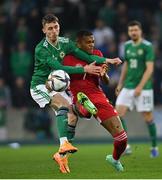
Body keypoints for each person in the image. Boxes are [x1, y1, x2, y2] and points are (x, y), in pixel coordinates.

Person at [30, 13, 122, 173]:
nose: (53, 31)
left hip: (55, 85)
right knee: (63, 105)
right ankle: (64, 143)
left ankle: (61, 155)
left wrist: (108, 60)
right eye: (50, 28)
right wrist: (84, 69)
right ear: (44, 30)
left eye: (56, 27)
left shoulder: (65, 43)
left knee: (72, 115)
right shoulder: (41, 49)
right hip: (40, 86)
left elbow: (86, 56)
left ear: (59, 27)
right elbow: (60, 68)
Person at [63, 30, 127, 172]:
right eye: (88, 42)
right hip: (77, 93)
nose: (92, 44)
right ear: (78, 43)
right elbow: (60, 76)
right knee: (85, 111)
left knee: (122, 138)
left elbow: (106, 80)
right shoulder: (67, 58)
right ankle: (78, 107)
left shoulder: (97, 55)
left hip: (97, 95)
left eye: (93, 41)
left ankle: (115, 159)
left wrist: (104, 75)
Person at [115, 20, 159, 157]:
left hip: (144, 88)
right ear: (128, 32)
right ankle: (126, 145)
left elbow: (150, 68)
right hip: (128, 85)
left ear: (140, 31)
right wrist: (120, 83)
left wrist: (140, 87)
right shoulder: (127, 45)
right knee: (117, 114)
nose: (133, 32)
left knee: (148, 117)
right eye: (131, 30)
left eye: (136, 30)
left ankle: (154, 147)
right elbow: (126, 65)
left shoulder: (147, 46)